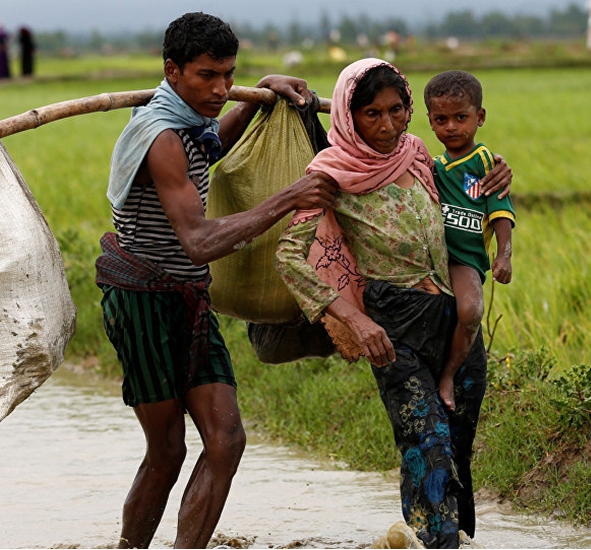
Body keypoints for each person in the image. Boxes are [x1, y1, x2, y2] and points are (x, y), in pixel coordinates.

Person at [95, 11, 337, 549]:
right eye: (208, 75)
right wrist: (288, 199)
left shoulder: (191, 123)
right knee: (167, 452)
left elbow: (210, 146)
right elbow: (200, 242)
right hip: (142, 297)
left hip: (189, 297)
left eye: (230, 75)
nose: (222, 88)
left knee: (226, 440)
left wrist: (259, 96)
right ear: (172, 70)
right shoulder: (159, 136)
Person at [275, 58, 510, 548]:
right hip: (392, 325)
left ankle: (455, 539)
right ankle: (438, 544)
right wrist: (354, 320)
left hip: (450, 317)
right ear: (348, 116)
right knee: (428, 444)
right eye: (371, 114)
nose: (387, 126)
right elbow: (289, 257)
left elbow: (468, 194)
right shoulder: (330, 172)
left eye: (397, 110)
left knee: (459, 446)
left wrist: (494, 179)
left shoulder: (419, 153)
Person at [424, 70, 515, 414]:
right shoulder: (430, 165)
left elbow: (500, 212)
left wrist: (504, 256)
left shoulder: (484, 163)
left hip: (464, 260)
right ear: (430, 122)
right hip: (429, 260)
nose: (451, 127)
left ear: (480, 117)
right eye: (441, 119)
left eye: (461, 118)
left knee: (471, 310)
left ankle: (448, 374)